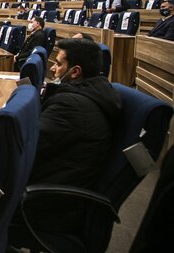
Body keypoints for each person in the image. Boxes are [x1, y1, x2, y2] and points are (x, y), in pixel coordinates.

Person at [25, 38, 121, 233]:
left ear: (75, 72)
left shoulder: (71, 107)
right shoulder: (94, 92)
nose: (52, 69)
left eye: (59, 64)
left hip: (49, 205)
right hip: (58, 185)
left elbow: (25, 149)